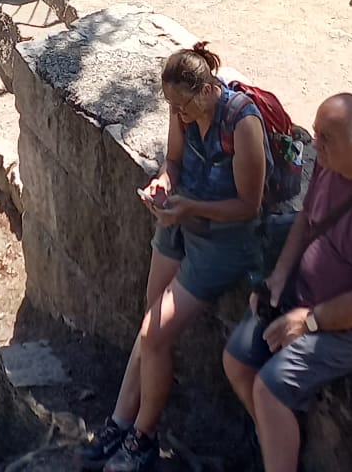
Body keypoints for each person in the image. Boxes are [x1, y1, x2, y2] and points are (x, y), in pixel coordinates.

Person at [81, 41, 274, 472]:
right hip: (181, 217)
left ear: (206, 90)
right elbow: (173, 161)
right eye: (172, 107)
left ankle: (144, 437)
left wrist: (191, 208)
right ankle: (121, 421)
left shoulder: (242, 122)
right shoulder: (182, 107)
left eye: (184, 107)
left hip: (223, 239)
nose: (179, 115)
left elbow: (249, 206)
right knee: (151, 324)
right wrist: (163, 184)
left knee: (154, 333)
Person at [223, 94, 352, 472]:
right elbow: (306, 220)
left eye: (326, 139)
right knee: (237, 361)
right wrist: (279, 276)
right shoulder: (331, 161)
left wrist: (309, 321)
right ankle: (272, 443)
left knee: (270, 389)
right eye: (316, 134)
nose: (316, 146)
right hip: (306, 293)